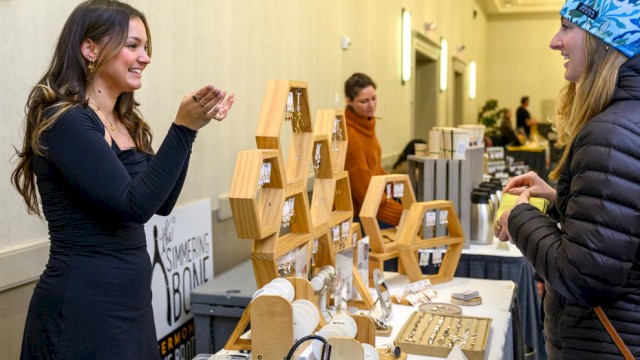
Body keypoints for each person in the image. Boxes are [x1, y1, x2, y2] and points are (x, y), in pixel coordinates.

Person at [10, 1, 234, 358]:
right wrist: (181, 127)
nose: (145, 57)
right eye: (133, 45)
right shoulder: (67, 121)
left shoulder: (123, 122)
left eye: (146, 48)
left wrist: (189, 132)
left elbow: (161, 203)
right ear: (90, 49)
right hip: (84, 307)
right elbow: (134, 206)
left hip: (130, 306)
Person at [495, 0, 640, 358]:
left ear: (603, 39)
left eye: (567, 27)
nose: (554, 41)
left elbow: (583, 278)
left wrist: (520, 217)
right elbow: (621, 231)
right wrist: (564, 197)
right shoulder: (626, 120)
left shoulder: (610, 133)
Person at [343, 73, 403, 228]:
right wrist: (400, 215)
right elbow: (363, 188)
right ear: (349, 101)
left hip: (371, 209)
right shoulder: (349, 135)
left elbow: (374, 169)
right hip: (360, 216)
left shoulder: (366, 126)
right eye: (364, 101)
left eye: (374, 98)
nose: (371, 105)